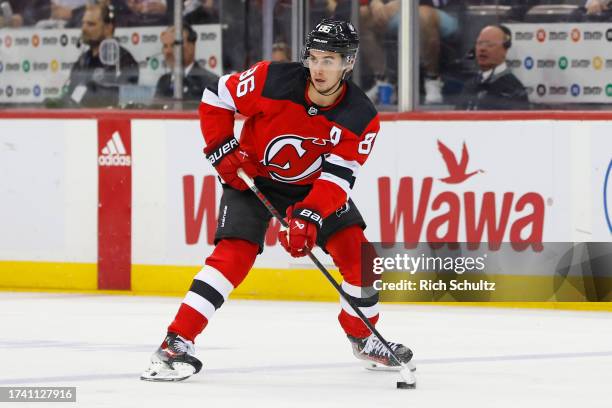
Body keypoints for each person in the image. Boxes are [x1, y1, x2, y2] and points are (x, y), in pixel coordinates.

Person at [141, 18, 414, 382]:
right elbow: (216, 96)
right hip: (253, 178)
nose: (318, 68)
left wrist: (309, 217)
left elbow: (338, 178)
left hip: (313, 189)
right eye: (314, 58)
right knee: (232, 256)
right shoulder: (271, 79)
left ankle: (363, 336)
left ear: (348, 63)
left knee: (362, 260)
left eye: (329, 60)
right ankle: (175, 341)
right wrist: (221, 147)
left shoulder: (361, 117)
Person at [63, 2, 139, 107]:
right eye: (83, 23)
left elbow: (117, 99)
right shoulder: (83, 60)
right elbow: (70, 96)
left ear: (108, 28)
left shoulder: (123, 60)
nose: (83, 29)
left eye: (90, 24)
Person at [458, 25, 528, 111]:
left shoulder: (514, 90)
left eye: (490, 44)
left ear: (504, 50)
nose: (482, 49)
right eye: (479, 44)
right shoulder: (469, 85)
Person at [155, 24, 219, 101]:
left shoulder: (210, 83)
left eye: (174, 45)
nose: (168, 51)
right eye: (165, 46)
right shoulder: (163, 81)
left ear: (192, 46)